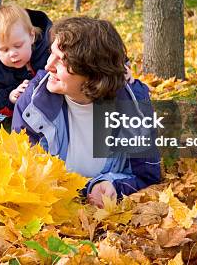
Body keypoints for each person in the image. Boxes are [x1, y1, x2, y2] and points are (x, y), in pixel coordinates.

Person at [12, 17, 161, 208]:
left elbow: (147, 175)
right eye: (51, 53)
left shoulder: (133, 108)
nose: (48, 65)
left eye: (62, 60)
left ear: (92, 74)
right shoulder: (34, 104)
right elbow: (20, 169)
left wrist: (113, 185)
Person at [0, 4, 52, 119]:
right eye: (4, 49)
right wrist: (11, 97)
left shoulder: (48, 52)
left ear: (31, 36)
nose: (12, 54)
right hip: (23, 117)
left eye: (17, 46)